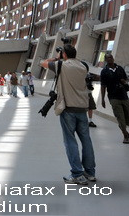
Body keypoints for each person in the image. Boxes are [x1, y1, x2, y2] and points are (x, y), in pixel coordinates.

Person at [41, 45, 96, 185]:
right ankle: (90, 172)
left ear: (64, 54)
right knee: (86, 141)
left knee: (70, 141)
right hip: (82, 109)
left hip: (68, 109)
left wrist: (56, 57)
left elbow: (41, 62)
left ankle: (77, 174)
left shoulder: (61, 65)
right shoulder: (83, 66)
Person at [99, 53, 129, 144]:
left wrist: (124, 82)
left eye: (111, 57)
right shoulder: (104, 71)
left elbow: (126, 79)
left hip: (123, 95)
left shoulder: (120, 68)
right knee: (119, 115)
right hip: (113, 97)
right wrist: (102, 99)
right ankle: (125, 134)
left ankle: (124, 126)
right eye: (108, 58)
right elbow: (103, 86)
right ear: (106, 60)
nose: (110, 59)